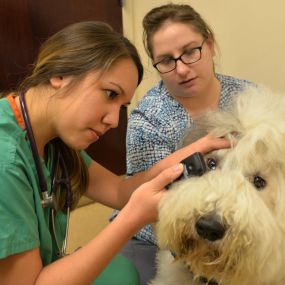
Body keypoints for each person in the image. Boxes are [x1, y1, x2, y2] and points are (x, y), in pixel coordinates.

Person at [0, 21, 230, 285]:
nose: (114, 121)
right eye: (110, 94)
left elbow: (119, 192)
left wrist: (195, 149)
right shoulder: (5, 159)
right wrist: (133, 218)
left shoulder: (51, 140)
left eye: (122, 106)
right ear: (60, 74)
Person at [112, 3, 257, 285]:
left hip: (234, 227)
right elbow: (158, 211)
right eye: (166, 60)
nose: (181, 69)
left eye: (191, 51)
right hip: (156, 236)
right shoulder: (148, 122)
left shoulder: (249, 97)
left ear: (210, 44)